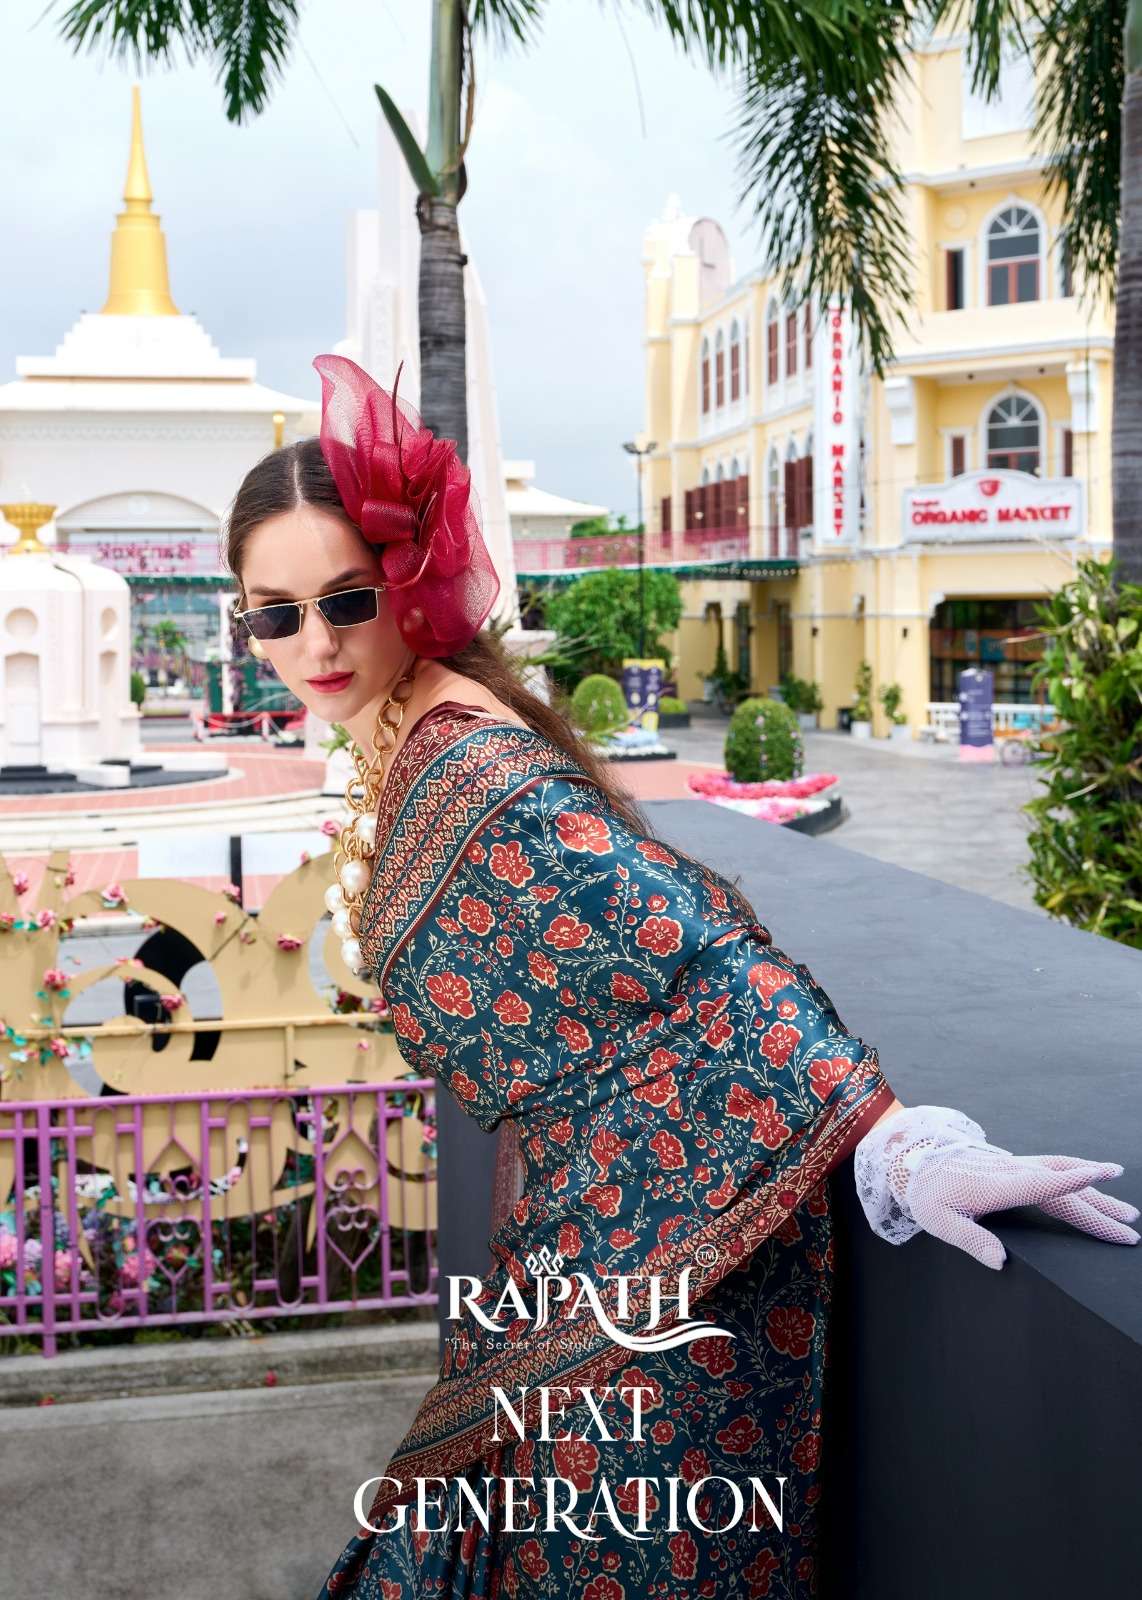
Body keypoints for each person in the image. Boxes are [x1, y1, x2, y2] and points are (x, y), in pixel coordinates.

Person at [224, 355, 1138, 1599]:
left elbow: (696, 949)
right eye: (275, 615)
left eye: (346, 597)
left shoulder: (470, 764)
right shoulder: (411, 726)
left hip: (665, 1278)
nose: (316, 643)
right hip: (583, 1250)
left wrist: (902, 1145)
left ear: (411, 577)